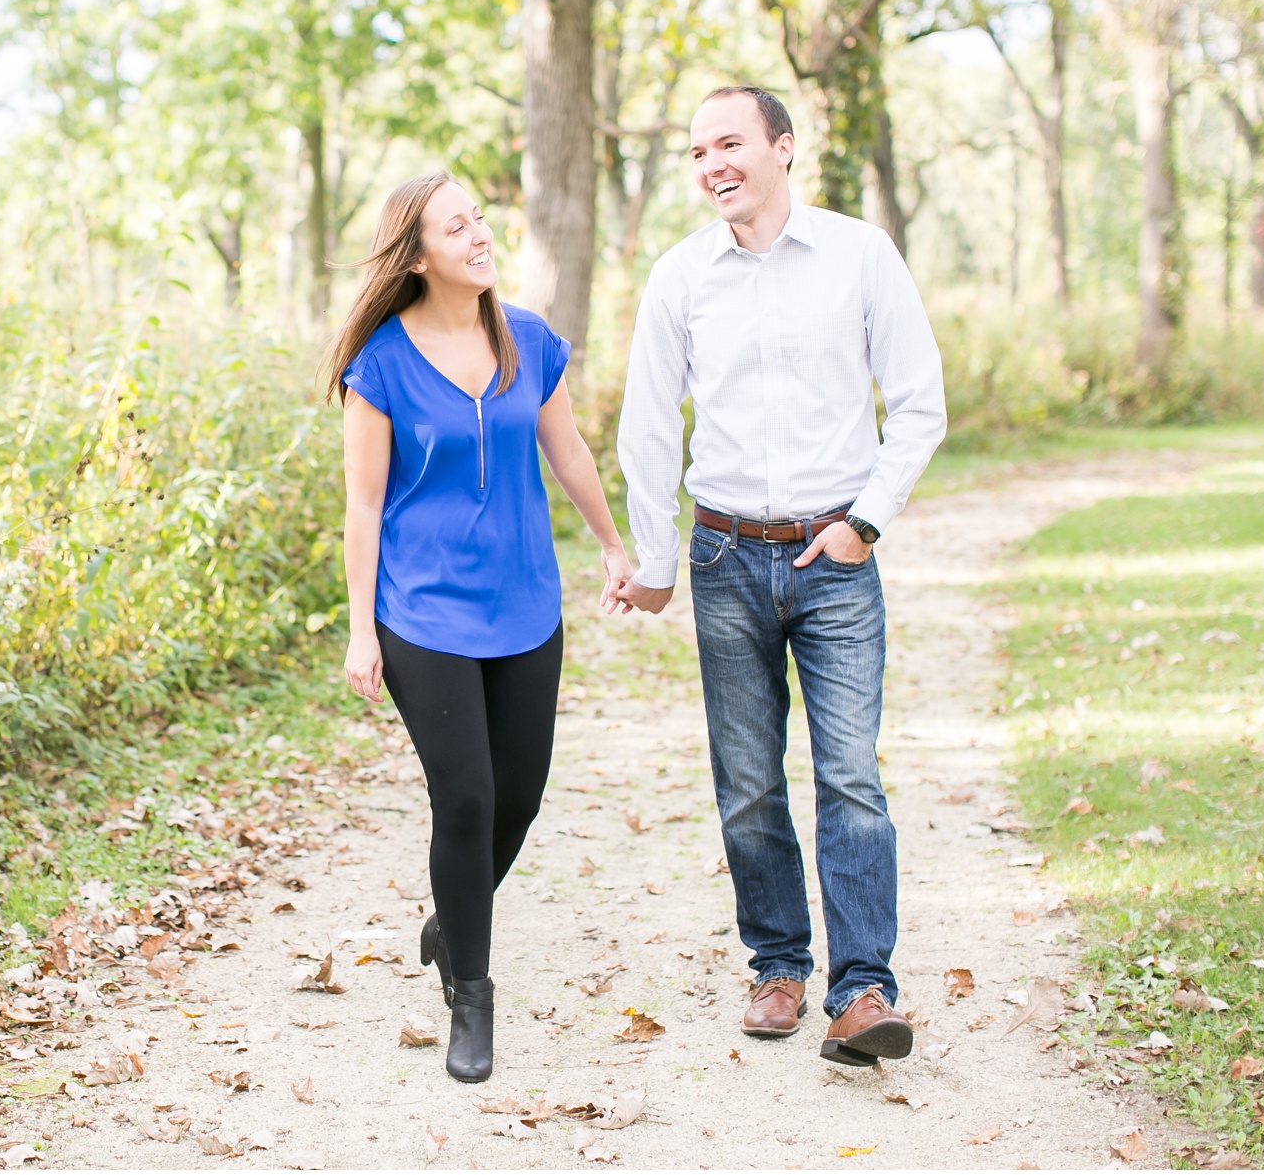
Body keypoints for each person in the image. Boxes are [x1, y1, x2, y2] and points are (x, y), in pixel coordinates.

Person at [613, 86, 946, 1066]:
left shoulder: (858, 255)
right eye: (694, 151)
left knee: (849, 778)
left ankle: (862, 989)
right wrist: (653, 558)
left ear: (781, 148)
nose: (711, 162)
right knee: (748, 784)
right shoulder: (679, 276)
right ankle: (777, 965)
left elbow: (918, 403)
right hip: (722, 555)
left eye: (728, 142)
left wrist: (864, 523)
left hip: (832, 557)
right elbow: (645, 423)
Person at [326, 171, 636, 1083]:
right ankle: (472, 994)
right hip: (421, 610)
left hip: (526, 602)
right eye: (455, 227)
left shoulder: (526, 339)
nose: (478, 235)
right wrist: (360, 628)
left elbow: (567, 450)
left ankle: (448, 918)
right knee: (464, 796)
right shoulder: (379, 363)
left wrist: (612, 545)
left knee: (521, 795)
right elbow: (363, 504)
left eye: (478, 220)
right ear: (418, 256)